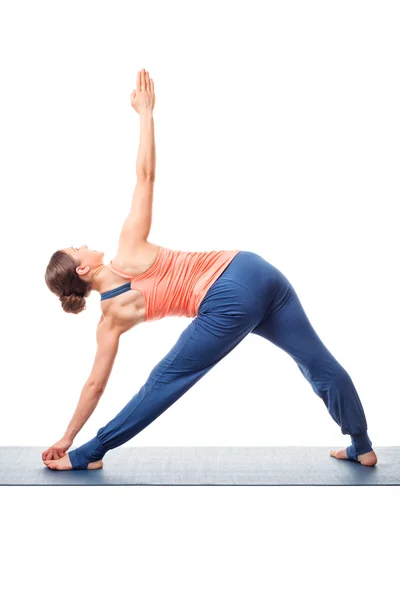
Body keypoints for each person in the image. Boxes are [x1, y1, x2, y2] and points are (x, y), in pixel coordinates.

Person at [42, 69, 377, 470]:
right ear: (81, 269)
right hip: (255, 271)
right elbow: (145, 176)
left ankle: (89, 453)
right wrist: (145, 114)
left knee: (163, 382)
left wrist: (68, 436)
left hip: (231, 297)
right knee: (316, 362)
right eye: (77, 247)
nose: (84, 242)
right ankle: (361, 443)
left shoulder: (110, 321)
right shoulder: (127, 249)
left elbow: (94, 385)